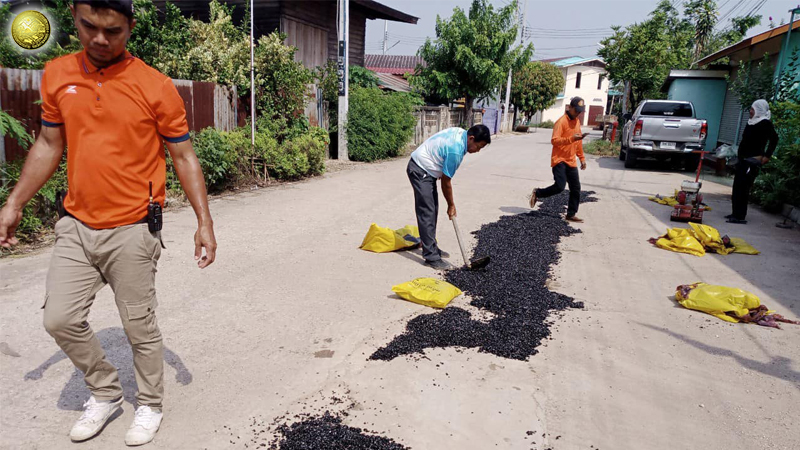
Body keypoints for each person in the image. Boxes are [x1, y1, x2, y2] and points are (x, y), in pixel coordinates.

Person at [0, 1, 217, 445]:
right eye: (88, 27)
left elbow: (183, 155)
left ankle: (150, 403)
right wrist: (15, 202)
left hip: (134, 229)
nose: (99, 39)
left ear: (130, 27)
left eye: (113, 31)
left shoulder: (154, 86)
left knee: (139, 326)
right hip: (76, 225)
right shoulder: (59, 74)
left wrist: (204, 221)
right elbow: (47, 143)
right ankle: (104, 391)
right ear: (76, 19)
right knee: (59, 319)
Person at [407, 125, 491, 270]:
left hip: (428, 169)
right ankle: (431, 257)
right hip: (420, 169)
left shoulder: (461, 133)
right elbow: (446, 182)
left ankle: (432, 247)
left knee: (432, 210)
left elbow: (441, 152)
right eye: (479, 146)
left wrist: (439, 169)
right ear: (471, 138)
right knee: (427, 212)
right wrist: (451, 205)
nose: (478, 151)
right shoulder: (456, 151)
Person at [529, 97, 588, 222]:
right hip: (559, 160)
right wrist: (571, 139)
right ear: (569, 108)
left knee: (576, 188)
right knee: (560, 187)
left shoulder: (576, 122)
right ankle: (538, 193)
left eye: (580, 111)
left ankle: (571, 214)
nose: (578, 113)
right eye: (576, 110)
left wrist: (582, 158)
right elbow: (554, 140)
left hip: (571, 161)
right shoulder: (561, 122)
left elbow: (578, 143)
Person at [727, 99, 779, 224]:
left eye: (752, 109)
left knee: (743, 188)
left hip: (752, 160)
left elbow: (774, 139)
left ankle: (740, 216)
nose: (750, 111)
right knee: (737, 186)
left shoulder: (765, 123)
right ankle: (735, 212)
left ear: (759, 110)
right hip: (743, 159)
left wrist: (767, 156)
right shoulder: (751, 122)